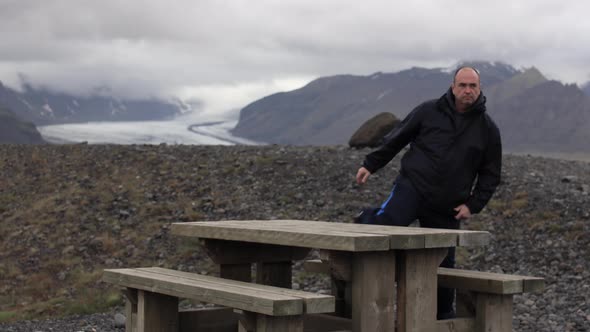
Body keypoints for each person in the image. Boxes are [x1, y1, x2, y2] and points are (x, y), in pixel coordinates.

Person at [354, 66, 502, 319]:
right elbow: (397, 137)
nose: (467, 90)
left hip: (448, 204)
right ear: (453, 86)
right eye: (463, 85)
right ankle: (362, 221)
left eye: (472, 86)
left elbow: (491, 173)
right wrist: (371, 164)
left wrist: (473, 205)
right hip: (413, 187)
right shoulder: (428, 111)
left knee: (444, 263)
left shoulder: (487, 129)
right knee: (389, 224)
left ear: (480, 89)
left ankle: (442, 314)